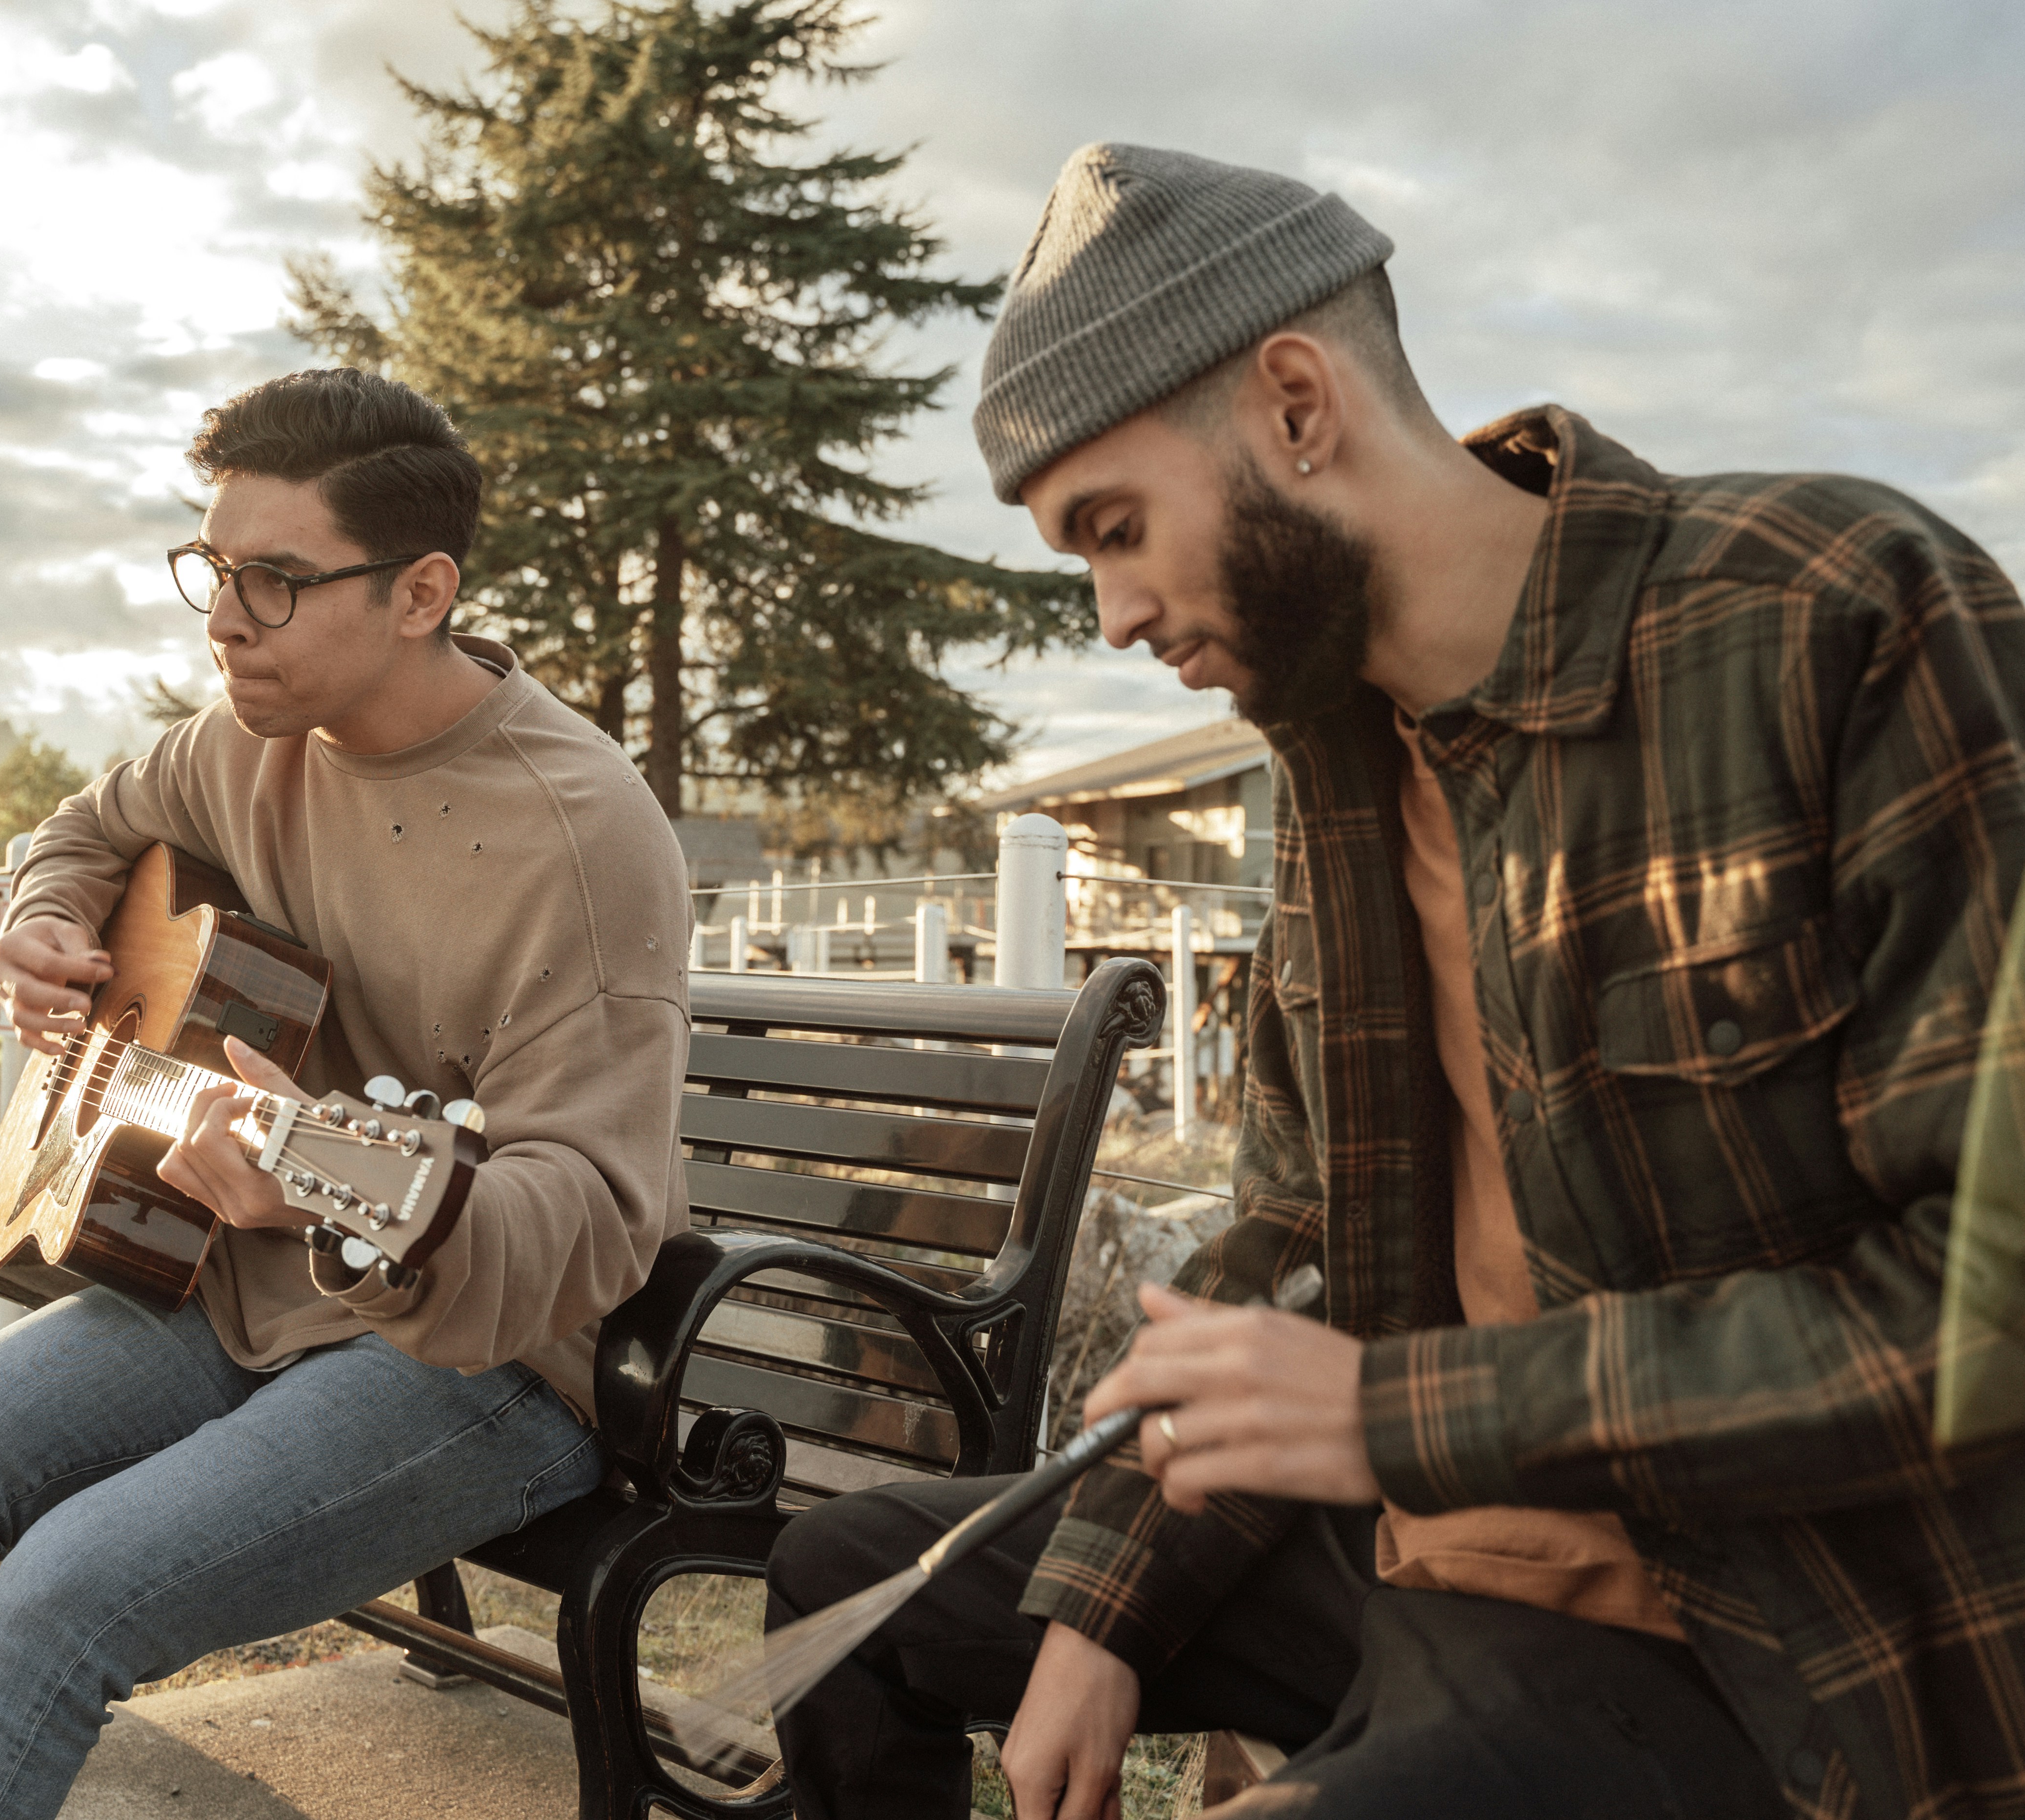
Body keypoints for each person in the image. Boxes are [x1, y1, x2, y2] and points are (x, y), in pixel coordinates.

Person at [764, 144, 2025, 1820]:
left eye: (1117, 529)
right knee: (847, 1590)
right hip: (1410, 1557)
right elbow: (1289, 1248)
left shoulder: (1827, 617)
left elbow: (1981, 1313)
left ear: (1296, 405)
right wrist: (1102, 1606)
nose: (1114, 612)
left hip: (1752, 1633)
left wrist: (1391, 1412)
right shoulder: (1334, 770)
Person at [0, 367, 694, 1819]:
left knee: (64, 1594)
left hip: (486, 1367)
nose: (222, 620)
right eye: (212, 569)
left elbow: (584, 1222)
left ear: (419, 592)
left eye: (271, 582)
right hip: (248, 1288)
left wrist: (329, 1183)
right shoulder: (247, 743)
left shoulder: (578, 843)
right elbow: (89, 825)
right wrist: (48, 917)